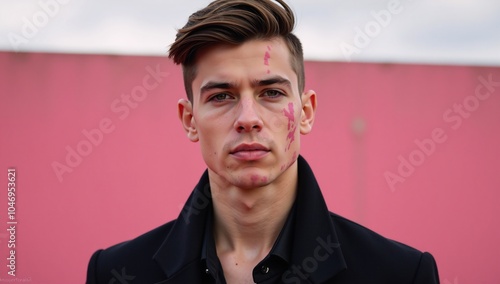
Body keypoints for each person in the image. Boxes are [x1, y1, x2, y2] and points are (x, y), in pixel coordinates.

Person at [86, 0, 440, 283]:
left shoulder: (400, 273)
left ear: (306, 112)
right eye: (221, 96)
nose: (248, 119)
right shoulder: (118, 272)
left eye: (271, 92)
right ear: (189, 120)